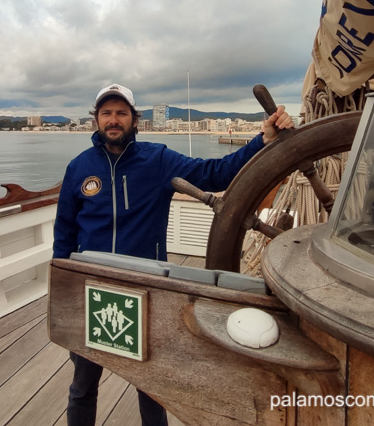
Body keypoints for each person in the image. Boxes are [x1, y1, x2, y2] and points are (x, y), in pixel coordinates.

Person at [53, 83, 294, 426]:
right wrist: (62, 288)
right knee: (82, 385)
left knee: (153, 386)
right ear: (96, 120)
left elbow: (216, 173)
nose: (113, 119)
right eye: (106, 113)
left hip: (146, 288)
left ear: (135, 120)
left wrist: (262, 140)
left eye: (122, 113)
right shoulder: (78, 168)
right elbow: (64, 232)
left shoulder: (159, 160)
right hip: (93, 290)